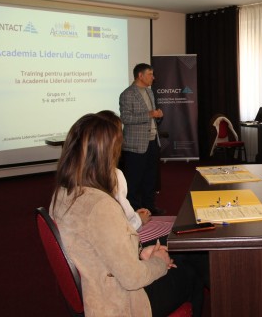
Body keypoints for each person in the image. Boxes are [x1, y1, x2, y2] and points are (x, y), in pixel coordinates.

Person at [50, 113, 204, 316]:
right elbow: (132, 279)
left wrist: (141, 254)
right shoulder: (100, 206)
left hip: (98, 288)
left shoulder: (62, 194)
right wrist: (159, 262)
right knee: (191, 271)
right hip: (122, 302)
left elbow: (100, 249)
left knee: (181, 254)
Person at [97, 110, 174, 245]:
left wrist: (134, 215)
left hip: (102, 240)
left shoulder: (70, 180)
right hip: (123, 242)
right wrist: (139, 219)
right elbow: (124, 227)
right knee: (175, 229)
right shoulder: (114, 176)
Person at [120, 63, 164, 215]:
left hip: (152, 142)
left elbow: (152, 117)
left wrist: (158, 116)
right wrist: (150, 114)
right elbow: (126, 118)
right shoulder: (127, 94)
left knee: (150, 178)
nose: (153, 77)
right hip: (135, 145)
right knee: (134, 180)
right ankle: (135, 211)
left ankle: (150, 207)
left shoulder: (149, 92)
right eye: (150, 74)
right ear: (140, 75)